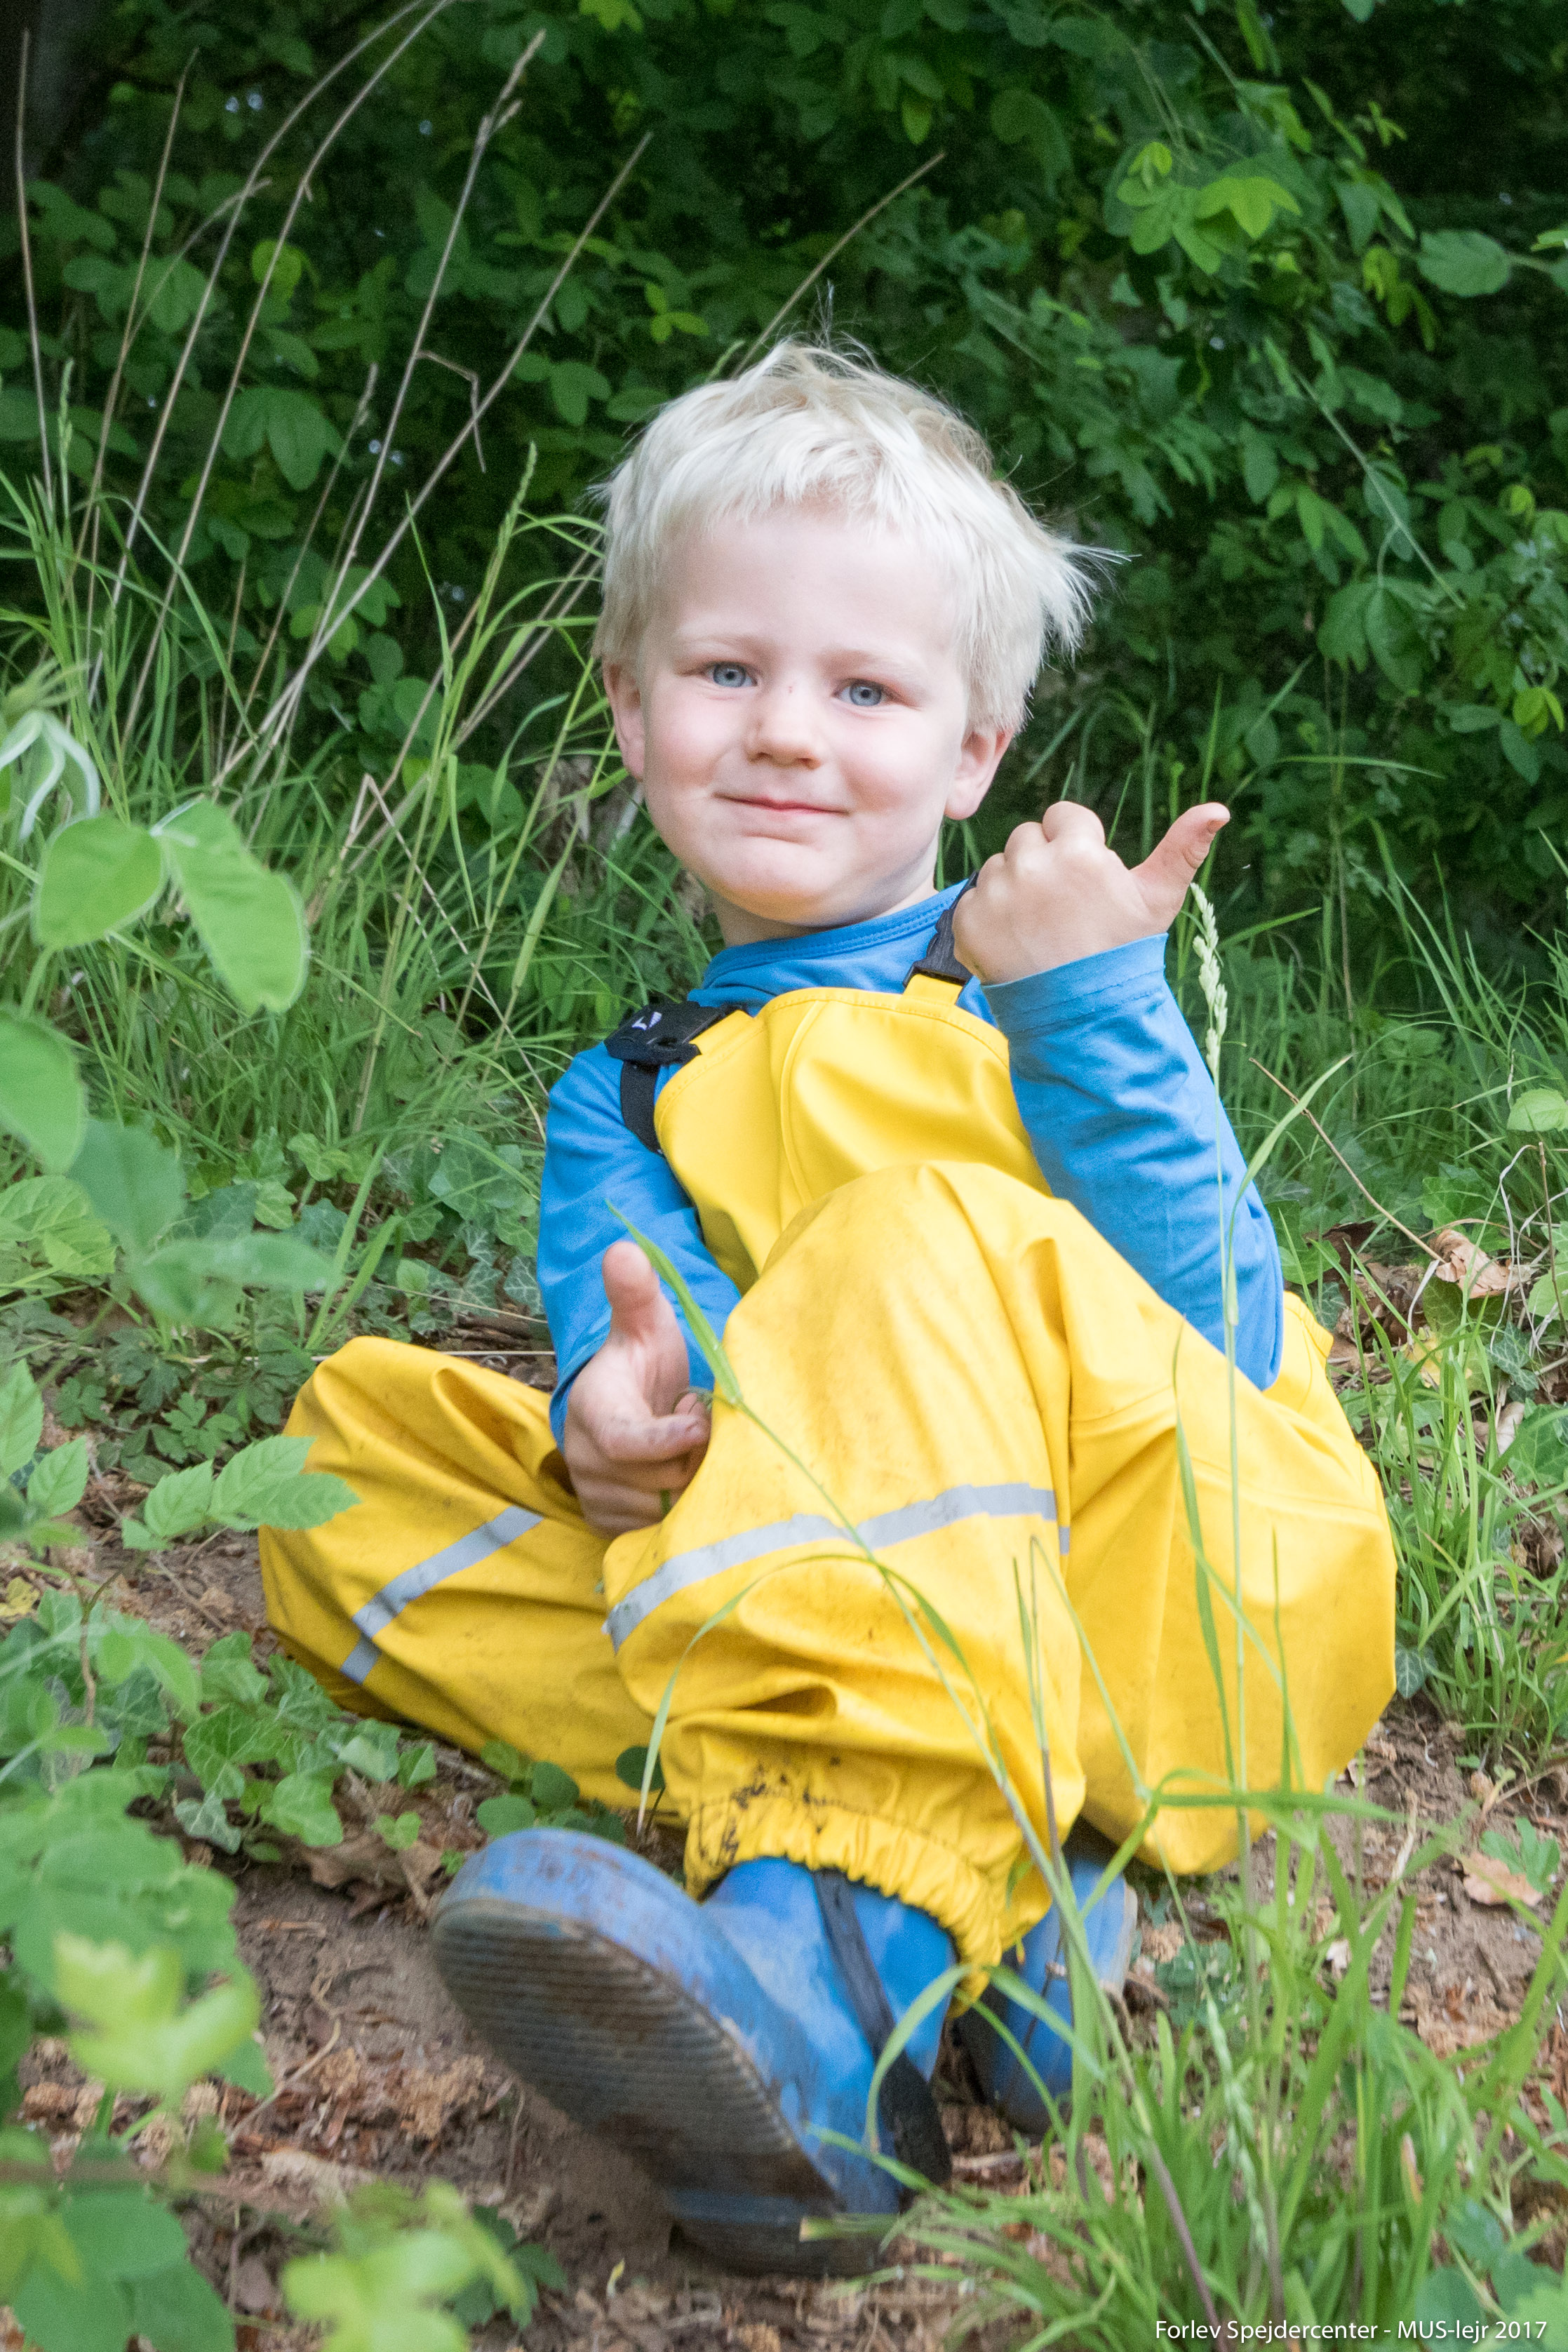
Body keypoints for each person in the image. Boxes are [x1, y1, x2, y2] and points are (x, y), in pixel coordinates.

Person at [260, 343, 1394, 2276]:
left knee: (901, 1240)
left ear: (971, 753)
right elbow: (691, 1396)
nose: (786, 732)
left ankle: (831, 1979)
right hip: (855, 1584)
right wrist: (616, 1429)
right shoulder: (627, 1094)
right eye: (726, 671)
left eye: (863, 691)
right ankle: (1016, 1899)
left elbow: (1223, 1321)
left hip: (1186, 1579)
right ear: (629, 708)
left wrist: (1092, 1010)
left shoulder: (1031, 975)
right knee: (341, 1454)